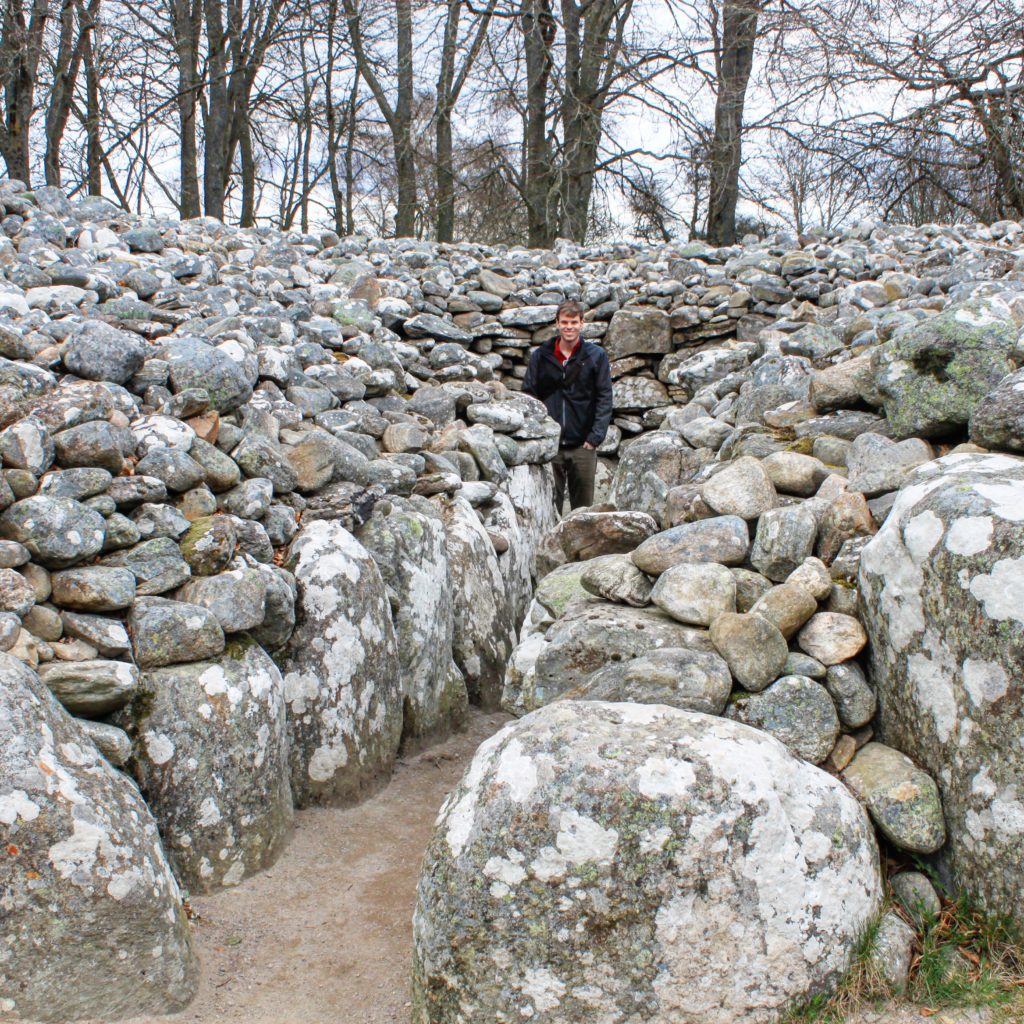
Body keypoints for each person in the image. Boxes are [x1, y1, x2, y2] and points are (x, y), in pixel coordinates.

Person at [522, 299, 613, 511]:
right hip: (549, 446)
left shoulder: (596, 356)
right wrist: (539, 436)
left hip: (583, 445)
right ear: (557, 323)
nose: (569, 327)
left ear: (582, 323)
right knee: (547, 508)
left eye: (573, 322)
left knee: (583, 511)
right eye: (564, 322)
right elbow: (528, 396)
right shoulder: (541, 356)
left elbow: (604, 397)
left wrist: (595, 437)